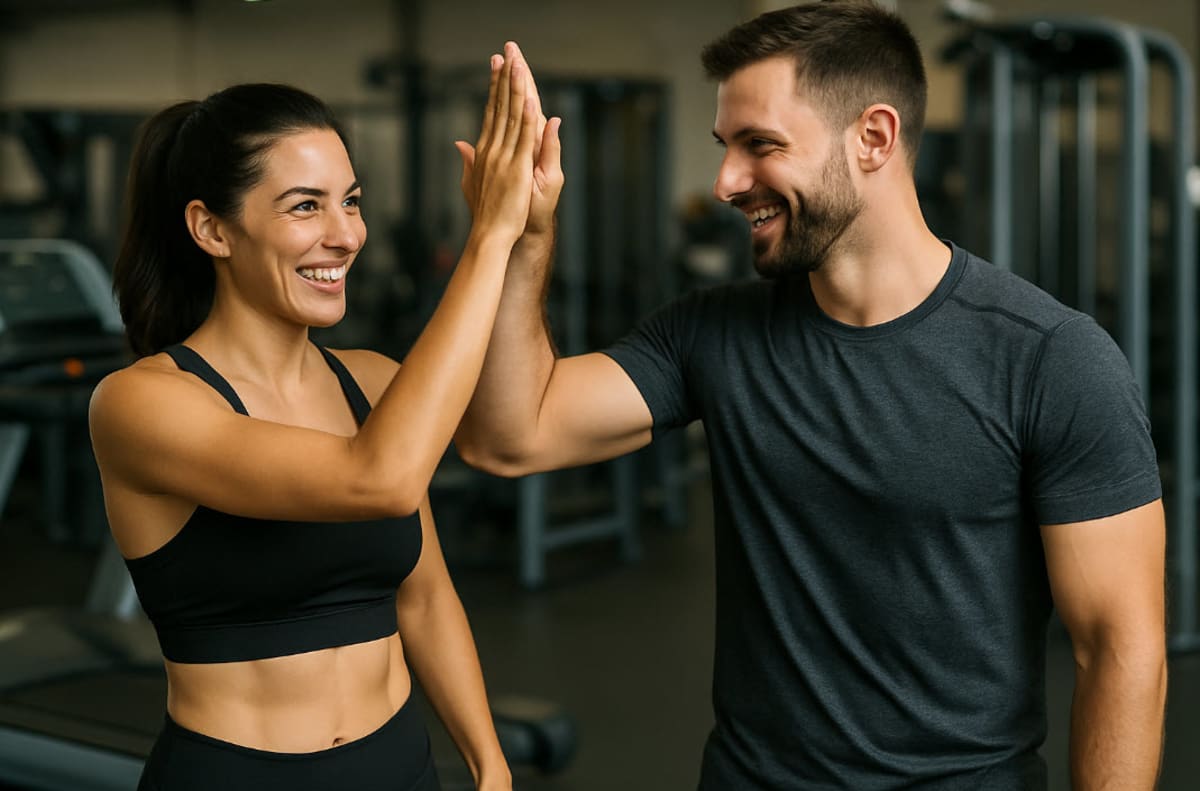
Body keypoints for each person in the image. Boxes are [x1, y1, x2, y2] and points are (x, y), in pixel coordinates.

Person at [454, 3, 1167, 789]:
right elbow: (508, 436)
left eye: (761, 145)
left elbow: (1120, 647)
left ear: (874, 138)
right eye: (726, 148)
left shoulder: (1051, 359)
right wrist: (521, 240)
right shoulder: (711, 333)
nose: (726, 182)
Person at [88, 43, 558, 791]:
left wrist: (489, 764)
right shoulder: (144, 404)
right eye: (306, 205)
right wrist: (489, 236)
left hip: (399, 765)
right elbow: (379, 480)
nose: (346, 234)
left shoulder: (372, 382)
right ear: (211, 229)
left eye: (352, 199)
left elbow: (425, 594)